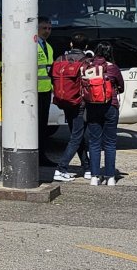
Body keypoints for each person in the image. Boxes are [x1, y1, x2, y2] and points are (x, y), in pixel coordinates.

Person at [83, 41, 126, 187]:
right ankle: (110, 177)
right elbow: (121, 86)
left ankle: (94, 177)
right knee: (110, 143)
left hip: (92, 107)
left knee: (94, 143)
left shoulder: (88, 66)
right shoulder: (113, 68)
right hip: (110, 106)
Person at [52, 33, 92, 182]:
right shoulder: (86, 61)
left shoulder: (60, 59)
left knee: (78, 135)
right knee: (76, 137)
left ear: (71, 44)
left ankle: (87, 168)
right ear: (86, 47)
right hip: (80, 103)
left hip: (64, 101)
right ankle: (61, 169)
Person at [34, 16, 55, 164]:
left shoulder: (48, 46)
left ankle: (42, 156)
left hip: (45, 92)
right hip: (33, 93)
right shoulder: (32, 45)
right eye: (44, 28)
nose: (47, 31)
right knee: (35, 127)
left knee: (43, 127)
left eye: (49, 28)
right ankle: (37, 156)